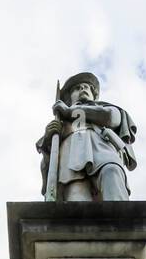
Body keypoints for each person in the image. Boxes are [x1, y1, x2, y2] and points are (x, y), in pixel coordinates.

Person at [38, 72, 137, 202]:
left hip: (102, 147)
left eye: (86, 87)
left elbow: (112, 118)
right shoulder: (61, 124)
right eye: (77, 88)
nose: (83, 89)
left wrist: (70, 112)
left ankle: (121, 221)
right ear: (69, 97)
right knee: (77, 200)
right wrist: (47, 142)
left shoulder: (103, 107)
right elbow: (48, 163)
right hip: (70, 158)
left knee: (111, 173)